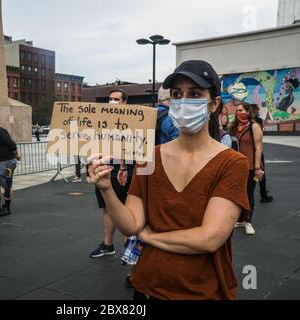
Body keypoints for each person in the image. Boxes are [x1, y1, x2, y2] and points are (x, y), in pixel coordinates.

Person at [88, 60, 250, 300]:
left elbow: (209, 238)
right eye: (177, 94)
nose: (184, 101)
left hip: (202, 292)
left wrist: (150, 237)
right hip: (147, 287)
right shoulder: (149, 157)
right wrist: (106, 189)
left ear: (214, 104)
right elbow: (131, 224)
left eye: (194, 93)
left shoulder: (232, 163)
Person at [89, 89, 135, 258]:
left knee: (123, 208)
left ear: (124, 102)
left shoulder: (131, 120)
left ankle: (128, 250)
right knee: (107, 208)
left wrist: (123, 167)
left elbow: (130, 145)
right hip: (104, 167)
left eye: (116, 99)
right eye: (110, 99)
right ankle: (108, 245)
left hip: (121, 169)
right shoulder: (103, 120)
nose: (112, 101)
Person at [230, 102, 264, 235]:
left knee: (249, 193)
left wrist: (257, 167)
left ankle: (248, 221)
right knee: (238, 193)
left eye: (242, 110)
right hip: (236, 166)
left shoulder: (254, 126)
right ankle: (240, 220)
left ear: (248, 112)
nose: (240, 113)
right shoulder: (233, 127)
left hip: (251, 166)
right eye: (237, 110)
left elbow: (259, 147)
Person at [251, 104, 273, 203]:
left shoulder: (246, 121)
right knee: (261, 171)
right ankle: (263, 194)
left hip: (247, 150)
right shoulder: (257, 121)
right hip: (256, 149)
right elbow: (260, 136)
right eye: (257, 110)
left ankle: (260, 193)